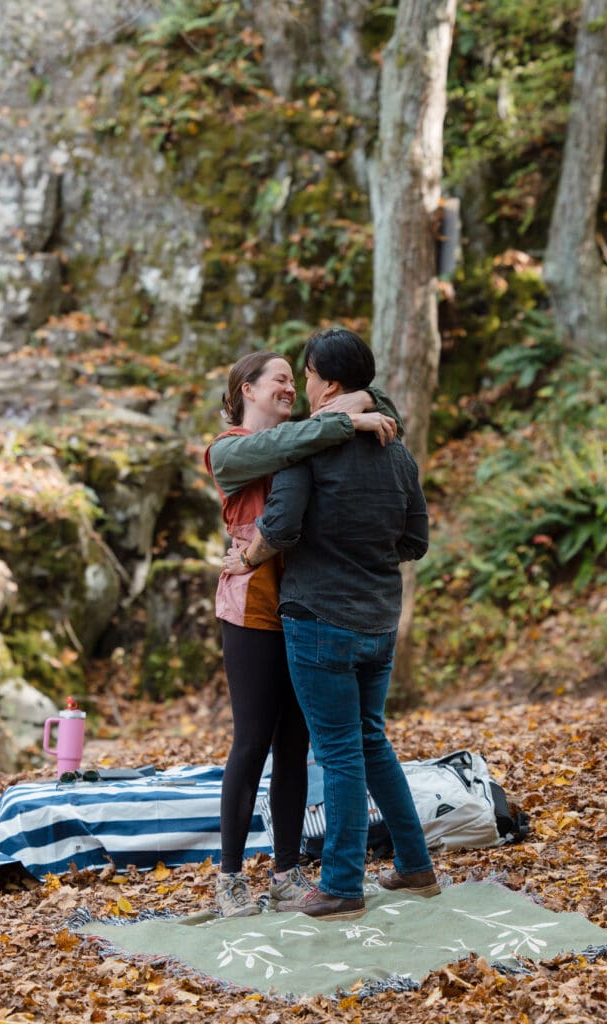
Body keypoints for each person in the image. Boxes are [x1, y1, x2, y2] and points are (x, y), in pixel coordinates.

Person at [222, 328, 439, 921]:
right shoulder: (398, 452)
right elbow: (415, 540)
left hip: (318, 617)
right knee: (370, 739)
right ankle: (415, 864)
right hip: (378, 619)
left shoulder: (304, 448)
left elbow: (284, 525)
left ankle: (343, 882)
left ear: (330, 384)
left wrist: (246, 558)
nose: (303, 384)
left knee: (341, 750)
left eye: (309, 374)